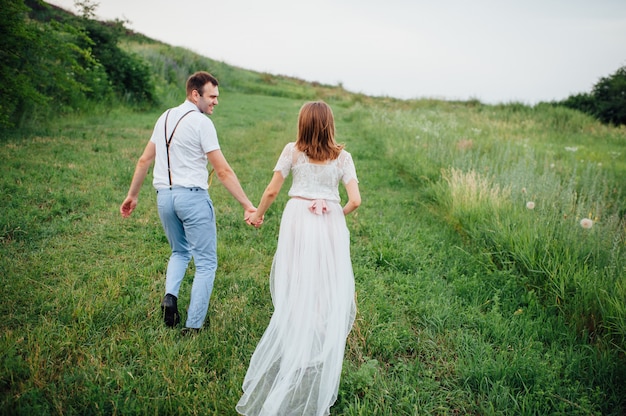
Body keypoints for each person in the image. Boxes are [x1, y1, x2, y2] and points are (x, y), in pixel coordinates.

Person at [237, 101, 361, 415]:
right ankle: (318, 336)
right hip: (329, 221)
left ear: (302, 123)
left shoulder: (292, 151)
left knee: (295, 276)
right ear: (330, 124)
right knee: (324, 280)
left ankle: (297, 332)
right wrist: (335, 214)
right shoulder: (343, 157)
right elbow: (356, 200)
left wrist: (257, 215)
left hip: (297, 218)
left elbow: (272, 191)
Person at [120, 71, 256, 334]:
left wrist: (133, 195)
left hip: (164, 198)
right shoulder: (201, 123)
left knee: (179, 252)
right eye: (212, 96)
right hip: (192, 197)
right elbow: (224, 171)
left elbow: (144, 160)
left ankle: (170, 296)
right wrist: (247, 204)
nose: (216, 102)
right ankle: (193, 326)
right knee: (206, 262)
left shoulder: (164, 117)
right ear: (196, 94)